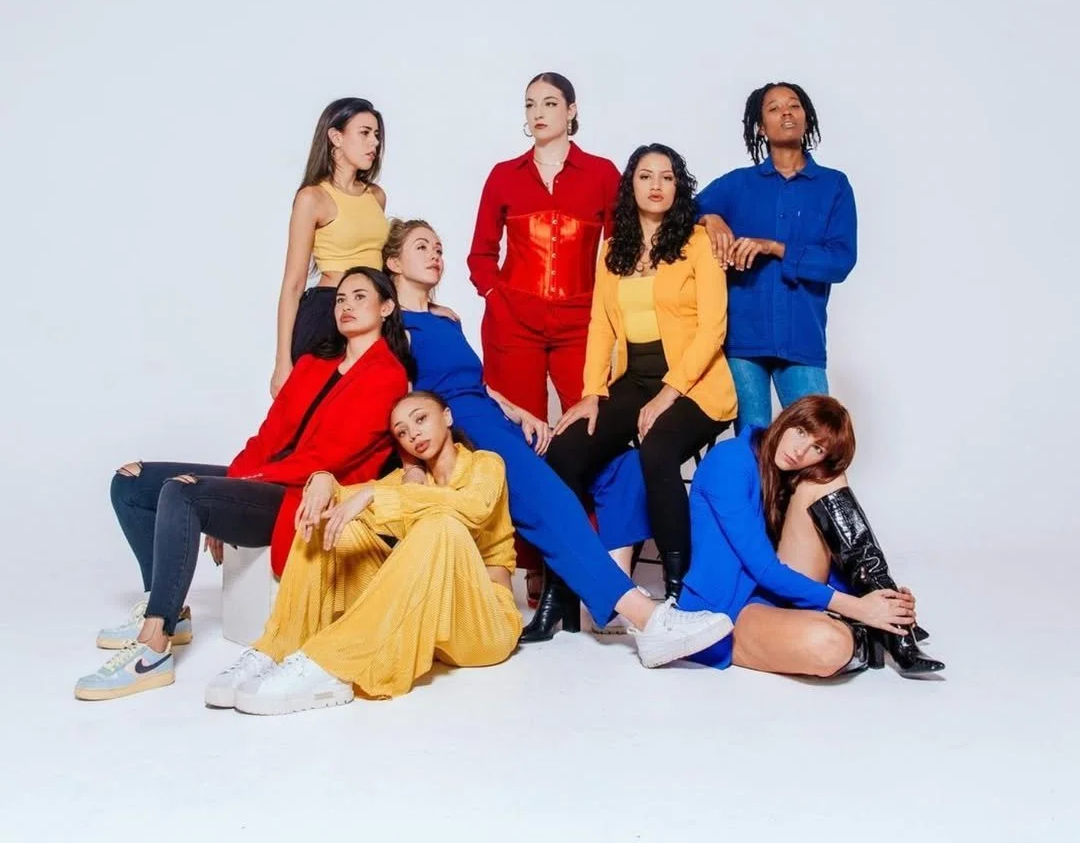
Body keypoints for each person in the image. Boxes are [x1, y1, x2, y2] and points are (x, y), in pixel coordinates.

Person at [384, 217, 735, 667]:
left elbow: (475, 383)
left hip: (494, 417)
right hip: (463, 431)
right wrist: (416, 465)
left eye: (438, 246)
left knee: (619, 466)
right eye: (421, 247)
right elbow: (400, 402)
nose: (435, 254)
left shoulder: (446, 319)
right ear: (393, 261)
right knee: (549, 498)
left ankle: (600, 597)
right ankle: (646, 619)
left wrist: (519, 411)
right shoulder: (400, 327)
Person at [74, 268, 412, 700]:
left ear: (386, 308)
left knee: (183, 492)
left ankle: (153, 646)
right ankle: (169, 608)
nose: (345, 306)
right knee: (131, 482)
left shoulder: (387, 375)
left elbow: (326, 459)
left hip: (301, 494)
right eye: (340, 298)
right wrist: (233, 481)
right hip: (266, 479)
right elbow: (267, 436)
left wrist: (225, 490)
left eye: (359, 297)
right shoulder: (314, 363)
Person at [205, 391, 523, 713]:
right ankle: (277, 648)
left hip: (485, 626)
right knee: (328, 519)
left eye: (421, 419)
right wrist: (322, 481)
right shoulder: (407, 481)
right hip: (433, 631)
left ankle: (331, 663)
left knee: (441, 524)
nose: (412, 434)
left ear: (447, 417)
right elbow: (351, 497)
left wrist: (377, 495)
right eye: (401, 431)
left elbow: (474, 508)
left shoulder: (485, 464)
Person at [543, 144, 737, 614]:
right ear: (630, 186)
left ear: (678, 186)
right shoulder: (614, 251)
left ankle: (678, 586)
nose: (656, 185)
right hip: (633, 380)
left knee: (657, 449)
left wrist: (670, 392)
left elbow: (714, 327)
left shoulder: (697, 244)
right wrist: (592, 394)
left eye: (666, 177)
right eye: (645, 176)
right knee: (564, 452)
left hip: (696, 385)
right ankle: (562, 589)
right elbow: (600, 326)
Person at [467, 72, 620, 601]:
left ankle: (587, 553)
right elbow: (481, 254)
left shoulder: (601, 174)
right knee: (518, 442)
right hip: (514, 325)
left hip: (582, 321)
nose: (539, 113)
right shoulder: (504, 176)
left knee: (587, 432)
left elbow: (620, 253)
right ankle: (529, 561)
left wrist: (611, 314)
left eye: (550, 103)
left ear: (572, 110)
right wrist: (496, 296)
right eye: (530, 104)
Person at [679, 395, 944, 678]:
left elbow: (825, 553)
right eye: (801, 432)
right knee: (830, 645)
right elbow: (764, 569)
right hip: (727, 609)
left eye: (817, 448)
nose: (800, 450)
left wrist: (882, 600)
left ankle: (893, 627)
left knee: (829, 479)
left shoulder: (788, 475)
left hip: (774, 592)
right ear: (786, 421)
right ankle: (879, 633)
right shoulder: (729, 462)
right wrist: (860, 609)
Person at [696, 83, 857, 433]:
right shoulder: (737, 185)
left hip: (802, 338)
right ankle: (756, 492)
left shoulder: (833, 186)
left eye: (794, 105)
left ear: (806, 117)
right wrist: (709, 218)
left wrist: (774, 247)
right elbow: (678, 215)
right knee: (754, 444)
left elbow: (840, 261)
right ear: (760, 127)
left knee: (818, 443)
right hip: (743, 339)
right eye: (774, 108)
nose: (786, 112)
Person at [271, 97, 390, 397]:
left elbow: (387, 264)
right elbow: (294, 284)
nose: (373, 143)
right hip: (328, 312)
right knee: (316, 413)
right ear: (336, 137)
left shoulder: (375, 196)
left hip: (374, 314)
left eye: (376, 135)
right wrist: (282, 362)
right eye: (364, 133)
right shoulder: (313, 198)